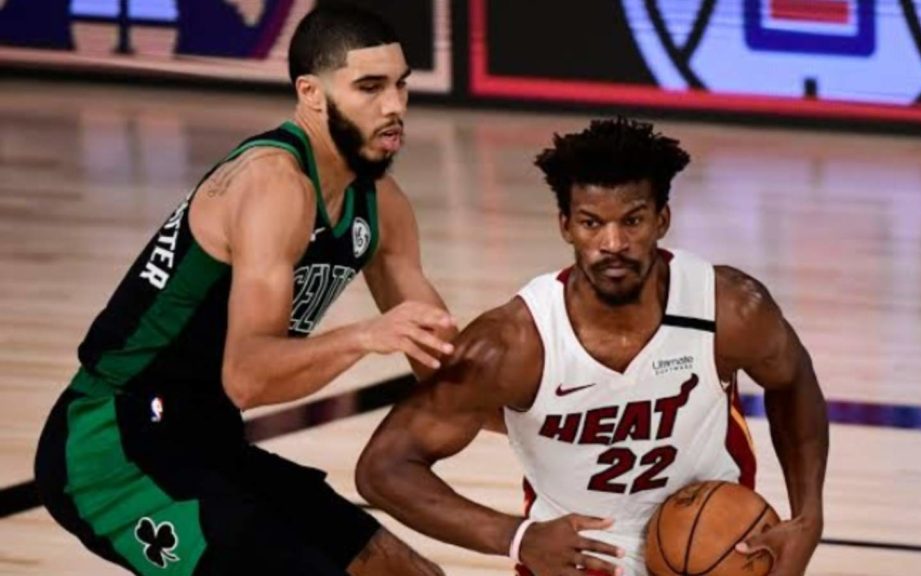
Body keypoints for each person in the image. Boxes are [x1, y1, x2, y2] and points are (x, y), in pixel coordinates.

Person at [34, 4, 455, 575]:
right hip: (112, 447)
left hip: (203, 440)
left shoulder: (381, 204)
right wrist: (363, 336)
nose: (395, 106)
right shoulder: (270, 184)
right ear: (310, 93)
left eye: (401, 85)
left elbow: (447, 363)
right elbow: (249, 377)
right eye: (370, 87)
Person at [356, 117, 829, 576]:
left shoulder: (726, 310)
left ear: (662, 220)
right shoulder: (516, 343)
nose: (613, 242)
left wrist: (808, 517)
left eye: (633, 220)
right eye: (591, 222)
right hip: (578, 563)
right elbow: (384, 469)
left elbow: (792, 378)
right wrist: (518, 538)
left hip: (721, 549)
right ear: (565, 226)